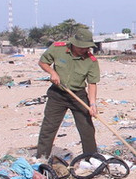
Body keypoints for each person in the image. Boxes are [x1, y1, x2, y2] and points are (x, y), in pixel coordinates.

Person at [36, 27, 100, 160]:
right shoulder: (58, 48)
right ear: (74, 44)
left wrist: (93, 103)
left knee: (87, 128)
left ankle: (91, 158)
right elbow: (43, 62)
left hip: (78, 95)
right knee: (49, 127)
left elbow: (92, 83)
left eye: (87, 47)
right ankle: (41, 157)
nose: (85, 50)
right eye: (82, 47)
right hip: (57, 94)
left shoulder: (91, 61)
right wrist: (52, 73)